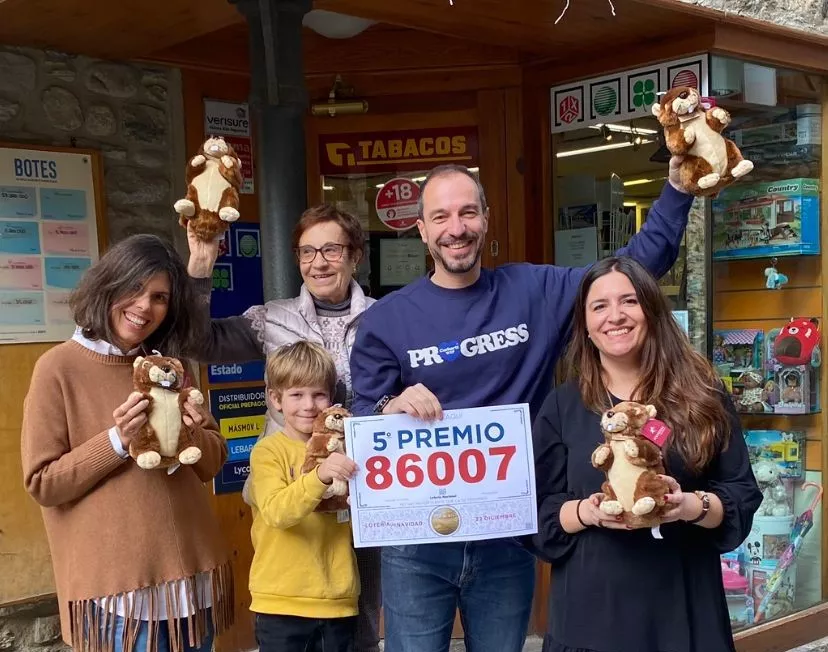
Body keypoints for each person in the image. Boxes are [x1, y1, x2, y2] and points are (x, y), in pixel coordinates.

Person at [348, 162, 694, 652]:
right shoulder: (386, 321)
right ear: (422, 230)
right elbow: (362, 417)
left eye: (468, 212)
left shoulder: (536, 291)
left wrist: (677, 189)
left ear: (485, 219)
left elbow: (633, 273)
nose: (457, 228)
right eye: (441, 217)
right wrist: (391, 405)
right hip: (418, 539)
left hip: (507, 530)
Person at [529, 256, 762, 652]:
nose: (615, 316)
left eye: (629, 301)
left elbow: (739, 493)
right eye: (599, 306)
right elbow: (535, 512)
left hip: (685, 614)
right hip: (592, 621)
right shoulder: (562, 406)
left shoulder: (702, 395)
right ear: (584, 326)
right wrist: (589, 511)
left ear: (651, 311)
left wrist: (689, 506)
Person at [21, 234, 233, 652]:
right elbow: (43, 482)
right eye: (133, 289)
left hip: (191, 580)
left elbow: (210, 463)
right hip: (119, 596)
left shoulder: (169, 363)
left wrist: (192, 433)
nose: (143, 306)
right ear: (107, 286)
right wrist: (117, 441)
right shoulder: (57, 368)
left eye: (158, 297)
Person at [185, 204, 380, 652]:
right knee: (293, 608)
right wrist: (200, 265)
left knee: (359, 612)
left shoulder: (387, 317)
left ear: (355, 256)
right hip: (289, 482)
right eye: (307, 251)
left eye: (331, 249)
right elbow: (197, 342)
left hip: (363, 485)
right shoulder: (270, 317)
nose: (318, 262)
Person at [248, 341, 359, 652]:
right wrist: (320, 477)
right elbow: (276, 513)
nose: (309, 405)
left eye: (318, 394)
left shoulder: (350, 450)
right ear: (276, 399)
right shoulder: (268, 451)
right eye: (296, 395)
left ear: (333, 398)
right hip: (281, 602)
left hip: (339, 600)